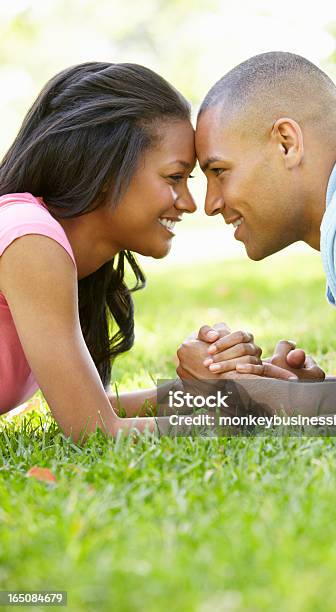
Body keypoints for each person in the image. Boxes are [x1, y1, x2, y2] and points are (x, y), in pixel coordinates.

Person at [0, 61, 274, 442]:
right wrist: (268, 415)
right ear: (108, 169)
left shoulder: (56, 251)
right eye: (175, 177)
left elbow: (92, 408)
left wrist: (222, 392)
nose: (191, 203)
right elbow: (94, 431)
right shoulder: (30, 238)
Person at [178, 51, 336, 411]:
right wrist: (295, 391)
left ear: (286, 142)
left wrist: (249, 397)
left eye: (220, 171)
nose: (210, 204)